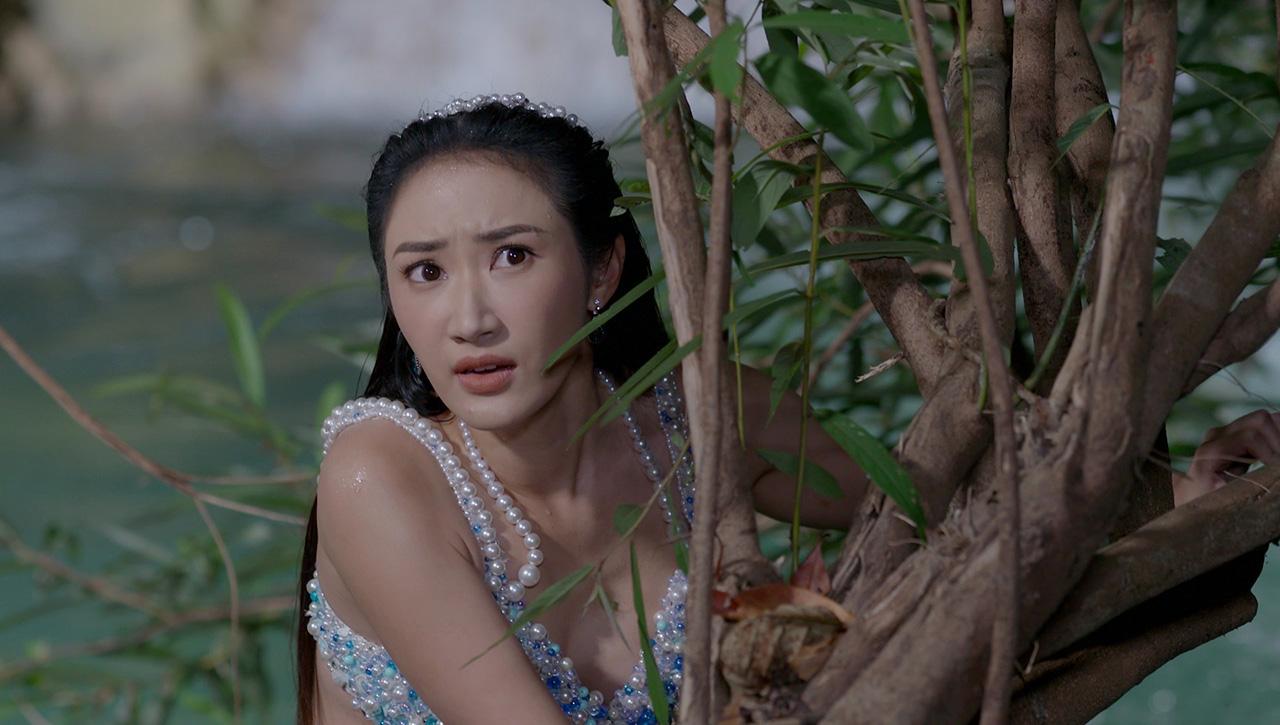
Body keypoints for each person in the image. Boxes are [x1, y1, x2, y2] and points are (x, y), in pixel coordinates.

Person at [292, 93, 1280, 725]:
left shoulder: (701, 418)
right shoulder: (382, 474)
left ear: (601, 270)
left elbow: (959, 513)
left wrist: (1181, 494)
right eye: (423, 272)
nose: (468, 317)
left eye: (512, 255)